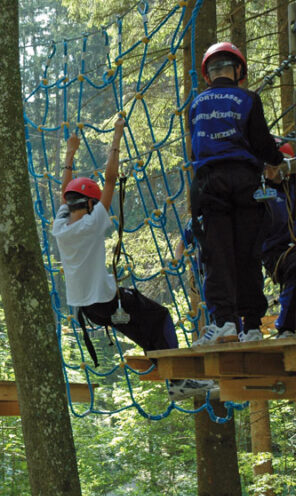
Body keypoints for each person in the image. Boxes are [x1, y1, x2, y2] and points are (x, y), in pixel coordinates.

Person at [53, 118, 215, 400]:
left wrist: (70, 153)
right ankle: (177, 381)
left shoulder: (61, 227)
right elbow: (111, 178)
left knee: (150, 331)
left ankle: (173, 376)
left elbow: (64, 194)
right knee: (161, 317)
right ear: (90, 204)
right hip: (106, 300)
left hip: (87, 309)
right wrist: (116, 136)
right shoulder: (92, 223)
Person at [188, 42, 285, 345]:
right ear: (239, 70)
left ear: (207, 75)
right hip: (245, 184)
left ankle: (225, 324)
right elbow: (262, 144)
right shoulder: (247, 99)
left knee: (217, 256)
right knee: (247, 255)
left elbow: (195, 146)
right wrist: (279, 160)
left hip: (209, 184)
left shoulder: (196, 105)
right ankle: (253, 326)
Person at [260, 141, 296, 340]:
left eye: (275, 167)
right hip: (276, 254)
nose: (270, 172)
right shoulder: (261, 194)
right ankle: (286, 327)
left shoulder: (293, 187)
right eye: (267, 167)